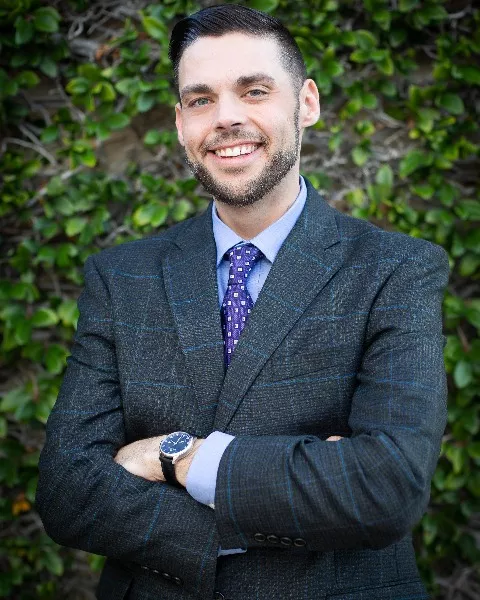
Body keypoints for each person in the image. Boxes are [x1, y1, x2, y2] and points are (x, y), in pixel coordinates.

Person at [36, 4, 450, 600]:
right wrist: (293, 493)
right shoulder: (121, 278)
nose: (226, 117)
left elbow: (387, 488)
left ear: (306, 103)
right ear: (180, 122)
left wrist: (178, 458)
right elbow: (67, 491)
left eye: (254, 90)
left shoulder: (396, 269)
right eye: (200, 99)